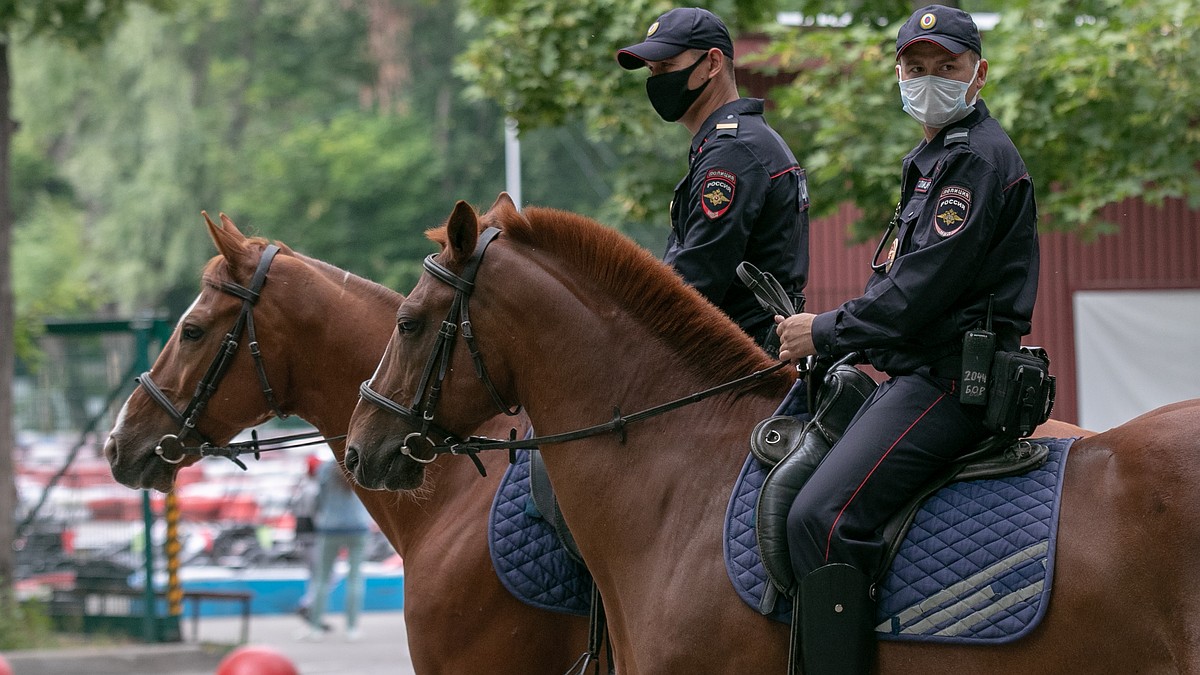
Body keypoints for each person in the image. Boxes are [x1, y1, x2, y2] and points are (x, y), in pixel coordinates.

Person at [774, 5, 1038, 673]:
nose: (928, 79)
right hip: (917, 370)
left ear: (978, 75)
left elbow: (915, 296)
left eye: (945, 67)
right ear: (897, 73)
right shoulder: (932, 158)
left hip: (949, 381)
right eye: (914, 67)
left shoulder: (975, 160)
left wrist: (824, 332)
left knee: (818, 517)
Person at [617, 7, 809, 355]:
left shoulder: (732, 152)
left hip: (740, 366)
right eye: (652, 71)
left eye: (667, 67)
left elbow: (698, 280)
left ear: (713, 63)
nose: (657, 80)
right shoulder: (734, 142)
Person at [297, 458, 372, 642]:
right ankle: (352, 628)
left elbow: (319, 498)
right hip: (358, 527)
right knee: (355, 579)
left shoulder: (325, 469)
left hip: (329, 528)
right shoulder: (359, 463)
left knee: (321, 578)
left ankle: (315, 627)